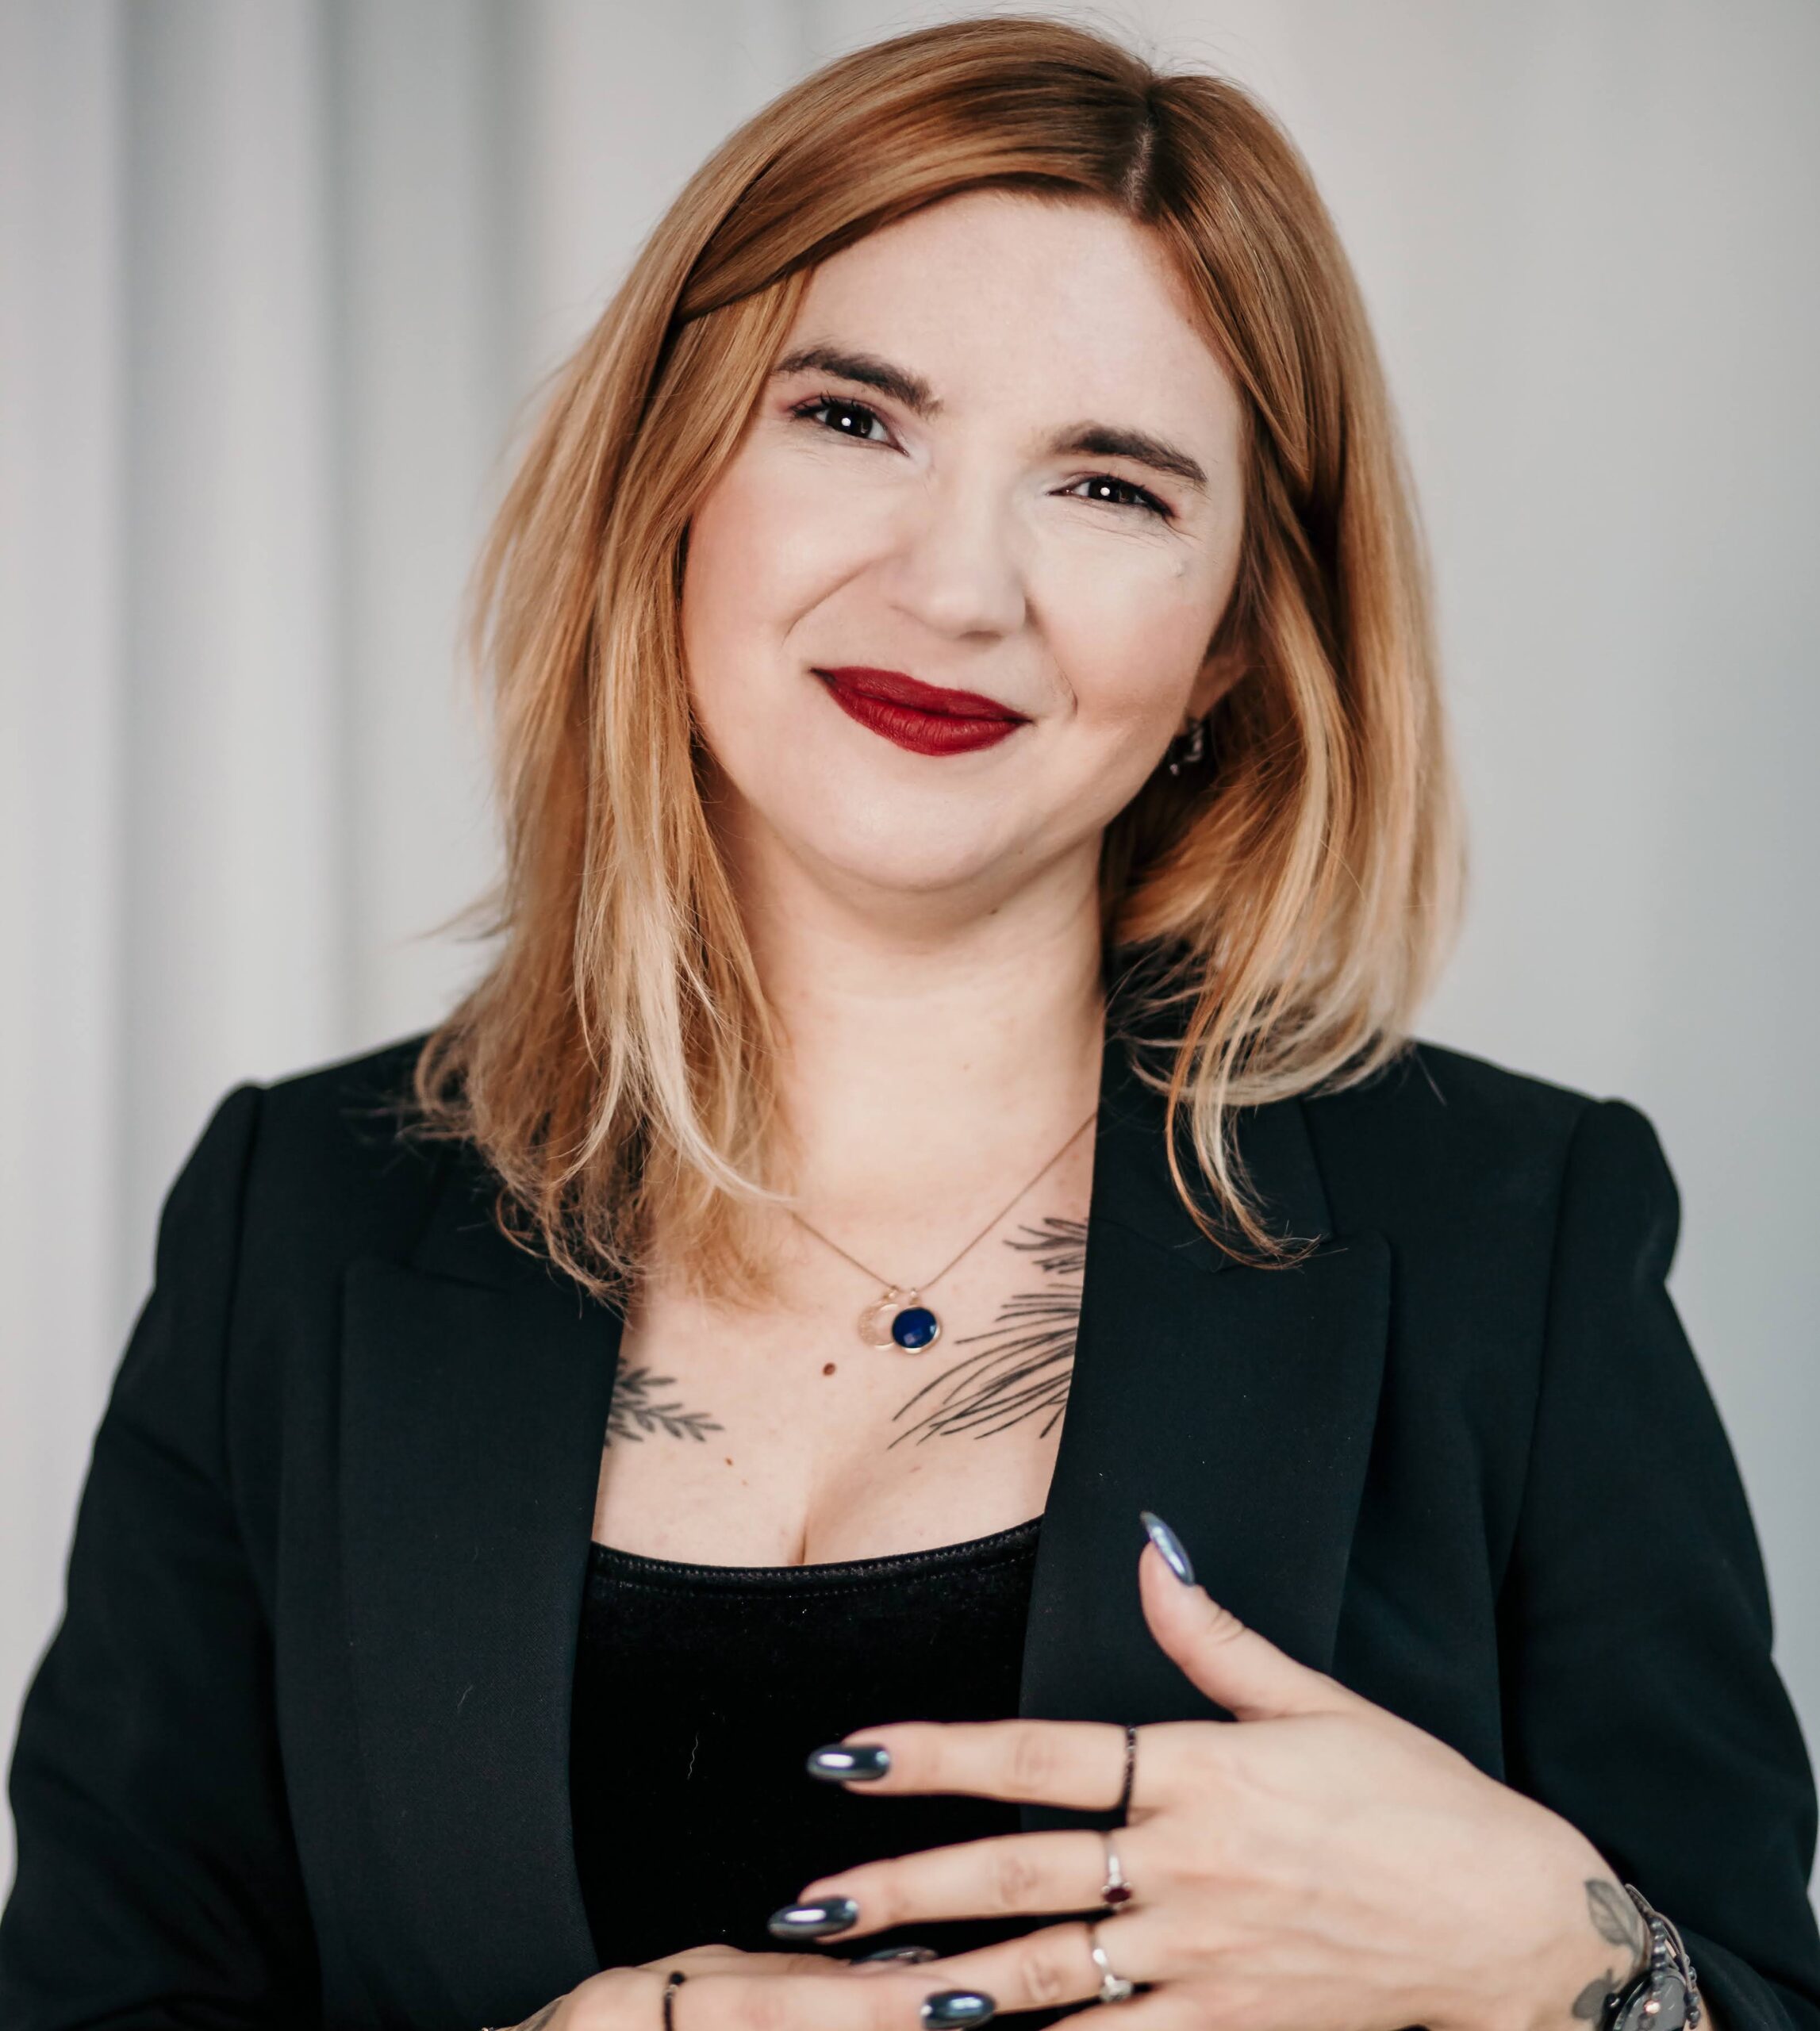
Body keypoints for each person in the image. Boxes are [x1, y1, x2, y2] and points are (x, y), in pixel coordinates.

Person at [2, 14, 1816, 2031]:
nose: (958, 587)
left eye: (1110, 484)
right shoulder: (295, 1214)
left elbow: (1745, 1982)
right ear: (671, 474)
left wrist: (1552, 1956)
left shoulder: (1515, 1231)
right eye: (855, 419)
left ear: (1233, 632)